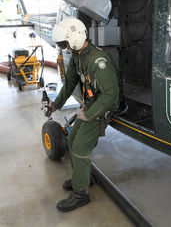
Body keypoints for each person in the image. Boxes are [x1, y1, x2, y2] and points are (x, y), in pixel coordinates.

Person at [48, 18, 119, 212]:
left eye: (65, 43)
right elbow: (69, 84)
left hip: (102, 109)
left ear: (75, 38)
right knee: (71, 139)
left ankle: (81, 194)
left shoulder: (98, 61)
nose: (64, 47)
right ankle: (83, 177)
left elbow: (111, 96)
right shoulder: (78, 57)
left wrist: (89, 115)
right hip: (91, 106)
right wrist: (55, 105)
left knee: (80, 145)